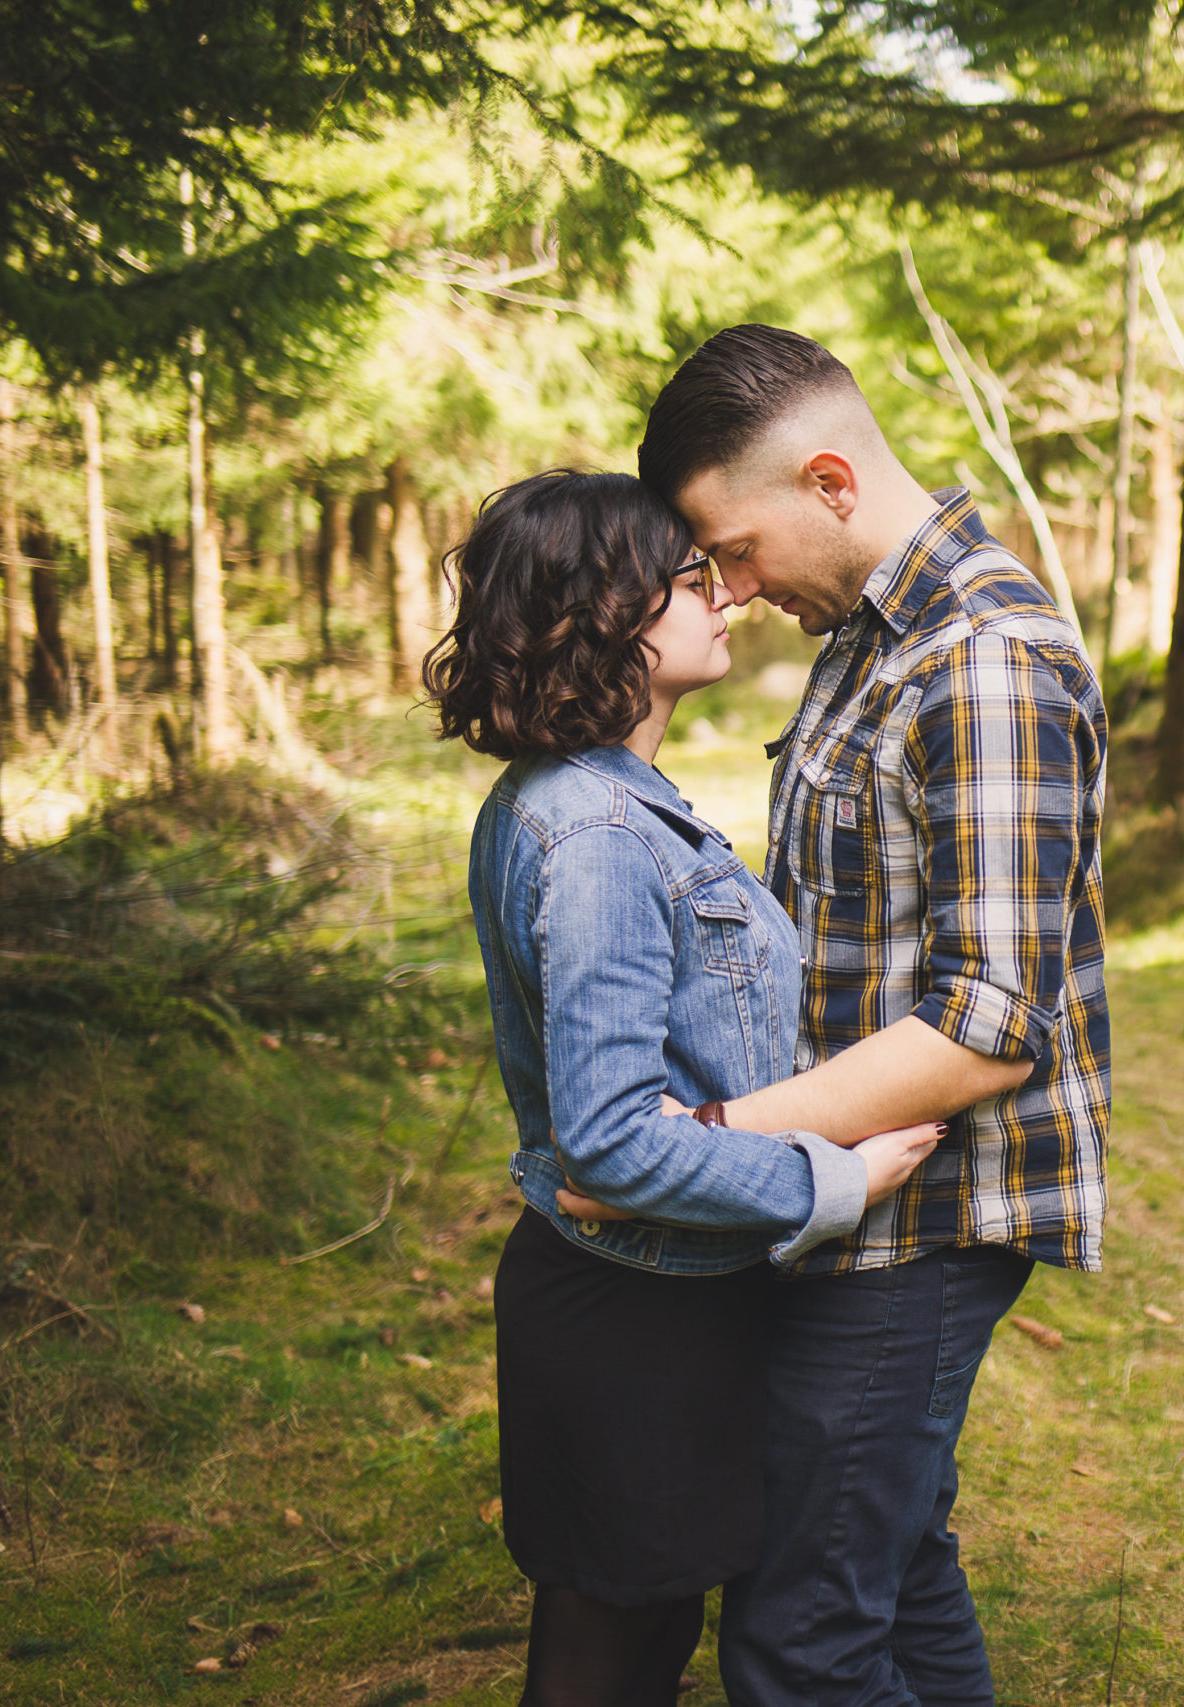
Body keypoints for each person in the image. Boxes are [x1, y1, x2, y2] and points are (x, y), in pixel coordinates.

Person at [563, 326, 1112, 1707]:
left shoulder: (983, 658)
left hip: (922, 1219)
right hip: (845, 1194)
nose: (729, 590)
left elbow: (990, 1021)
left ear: (828, 479)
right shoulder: (880, 635)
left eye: (732, 549)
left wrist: (709, 1140)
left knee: (800, 1634)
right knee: (894, 1560)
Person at [424, 469, 943, 1707]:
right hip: (631, 1318)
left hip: (645, 1305)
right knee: (611, 1656)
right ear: (609, 612)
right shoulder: (600, 836)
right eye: (690, 578)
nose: (726, 597)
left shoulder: (587, 806)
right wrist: (834, 1177)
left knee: (631, 1637)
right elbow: (609, 1145)